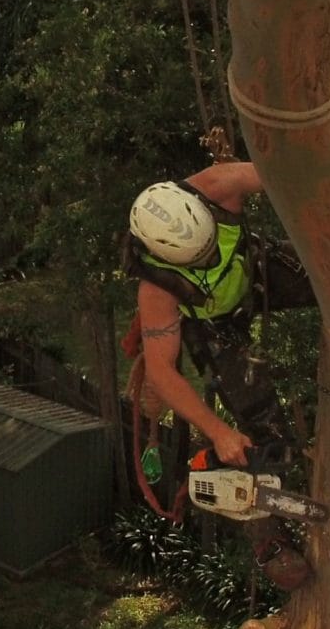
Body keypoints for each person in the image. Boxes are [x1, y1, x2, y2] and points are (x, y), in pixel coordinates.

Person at [128, 161, 316, 590]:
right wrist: (217, 432)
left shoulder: (219, 185)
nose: (207, 257)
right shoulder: (157, 289)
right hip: (213, 324)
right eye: (200, 259)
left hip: (253, 266)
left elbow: (291, 165)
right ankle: (269, 541)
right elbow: (161, 370)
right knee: (261, 437)